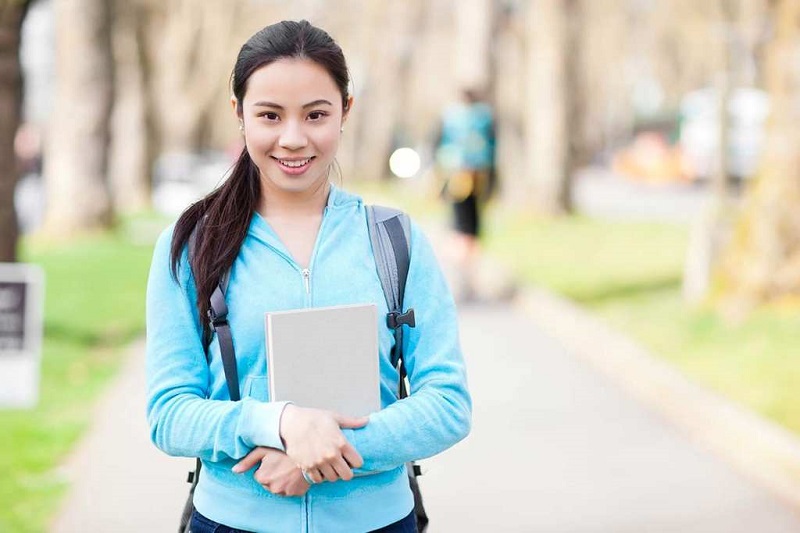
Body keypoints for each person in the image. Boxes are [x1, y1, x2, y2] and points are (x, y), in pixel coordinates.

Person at [145, 20, 471, 533]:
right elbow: (168, 414)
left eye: (316, 114)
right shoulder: (191, 245)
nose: (293, 139)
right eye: (270, 115)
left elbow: (448, 404)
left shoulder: (396, 240)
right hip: (233, 522)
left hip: (377, 522)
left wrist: (322, 455)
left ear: (345, 111)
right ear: (239, 115)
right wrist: (281, 424)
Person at [434, 89, 496, 300]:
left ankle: (462, 275)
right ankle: (466, 274)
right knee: (469, 229)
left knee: (459, 226)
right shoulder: (484, 118)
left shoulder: (451, 117)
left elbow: (440, 146)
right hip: (476, 178)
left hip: (457, 178)